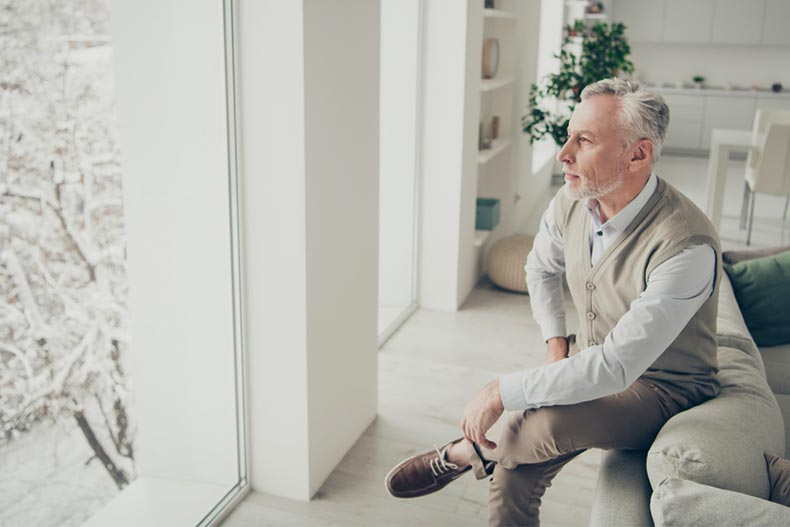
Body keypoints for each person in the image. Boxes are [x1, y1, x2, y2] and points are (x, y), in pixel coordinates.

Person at [384, 78, 723, 526]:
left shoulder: (686, 246)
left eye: (584, 141)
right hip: (594, 357)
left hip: (663, 387)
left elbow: (617, 368)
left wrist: (500, 390)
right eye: (569, 135)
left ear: (637, 154)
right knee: (512, 479)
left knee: (542, 424)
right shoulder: (573, 200)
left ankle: (465, 452)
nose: (564, 154)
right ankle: (486, 458)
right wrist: (555, 346)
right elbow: (540, 269)